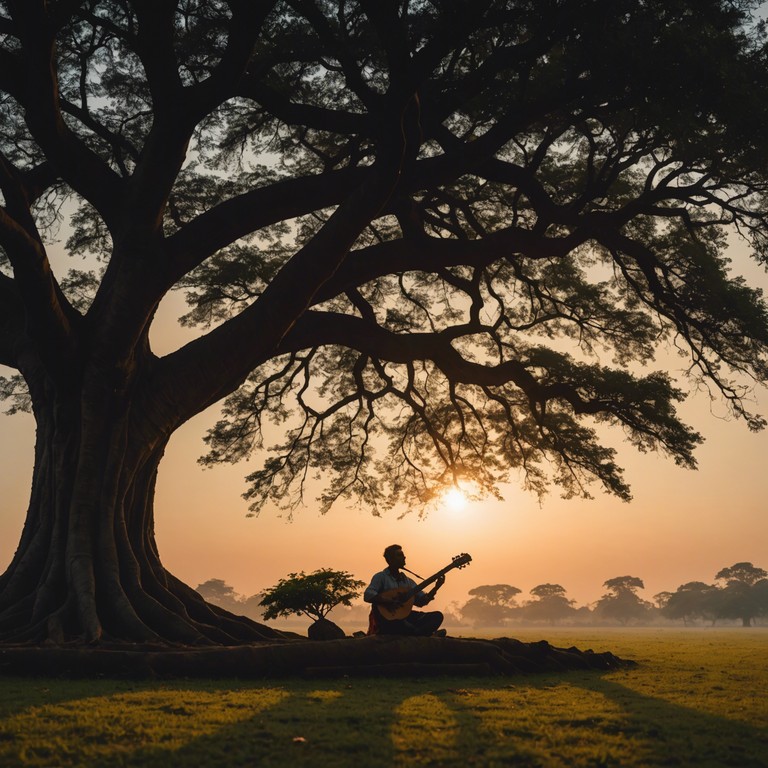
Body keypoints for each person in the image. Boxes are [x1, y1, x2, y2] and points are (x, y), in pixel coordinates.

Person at [364, 544, 446, 636]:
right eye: (399, 555)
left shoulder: (407, 581)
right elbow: (368, 595)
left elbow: (421, 601)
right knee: (399, 623)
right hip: (387, 620)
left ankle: (416, 632)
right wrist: (388, 601)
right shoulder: (381, 577)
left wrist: (436, 587)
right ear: (390, 560)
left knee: (437, 616)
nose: (404, 557)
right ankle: (421, 633)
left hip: (405, 616)